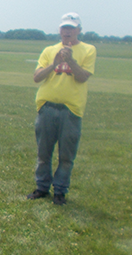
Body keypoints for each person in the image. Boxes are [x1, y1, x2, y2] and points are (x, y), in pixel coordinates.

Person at [27, 12, 96, 205]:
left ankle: (60, 191)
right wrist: (55, 63)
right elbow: (37, 77)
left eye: (71, 28)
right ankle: (41, 188)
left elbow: (82, 77)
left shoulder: (89, 50)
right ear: (59, 30)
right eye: (64, 28)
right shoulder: (49, 50)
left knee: (66, 156)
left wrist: (71, 61)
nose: (67, 31)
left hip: (71, 110)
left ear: (79, 31)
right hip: (47, 107)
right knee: (43, 153)